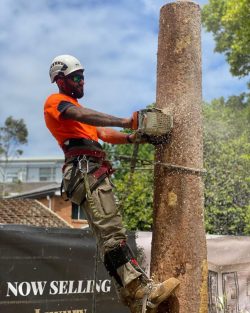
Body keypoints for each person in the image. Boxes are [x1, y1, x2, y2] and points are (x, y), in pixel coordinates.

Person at [44, 54, 180, 313]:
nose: (82, 81)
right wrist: (127, 121)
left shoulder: (78, 117)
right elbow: (85, 115)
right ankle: (140, 289)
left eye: (83, 76)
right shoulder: (57, 103)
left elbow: (103, 134)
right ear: (60, 80)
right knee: (112, 233)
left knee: (109, 236)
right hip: (85, 170)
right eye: (76, 77)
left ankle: (133, 298)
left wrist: (135, 137)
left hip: (89, 171)